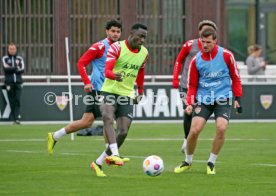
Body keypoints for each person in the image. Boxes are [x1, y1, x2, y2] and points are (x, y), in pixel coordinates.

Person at [47, 19, 123, 155]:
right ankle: (111, 154)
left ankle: (54, 136)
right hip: (98, 89)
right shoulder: (99, 46)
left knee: (87, 122)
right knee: (108, 119)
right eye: (113, 31)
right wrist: (86, 82)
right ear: (107, 31)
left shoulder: (120, 48)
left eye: (118, 31)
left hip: (110, 89)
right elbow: (81, 63)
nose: (115, 34)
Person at [174, 27, 243, 175]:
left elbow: (235, 77)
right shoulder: (196, 60)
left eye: (208, 42)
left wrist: (238, 98)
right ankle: (188, 161)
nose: (205, 45)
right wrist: (189, 103)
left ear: (215, 41)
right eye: (203, 42)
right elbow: (191, 85)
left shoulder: (226, 55)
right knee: (194, 130)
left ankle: (211, 162)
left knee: (221, 128)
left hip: (223, 97)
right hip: (203, 98)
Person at [90, 23, 149, 177]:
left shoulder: (144, 53)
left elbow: (141, 71)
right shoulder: (116, 47)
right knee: (107, 118)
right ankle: (115, 155)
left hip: (127, 94)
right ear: (131, 33)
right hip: (109, 90)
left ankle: (98, 162)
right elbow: (107, 70)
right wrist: (112, 75)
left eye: (144, 38)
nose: (142, 40)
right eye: (140, 36)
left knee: (122, 131)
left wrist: (140, 91)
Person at [172, 20, 217, 154]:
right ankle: (186, 140)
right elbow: (179, 60)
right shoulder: (190, 45)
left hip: (203, 87)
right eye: (204, 30)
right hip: (186, 84)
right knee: (188, 110)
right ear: (199, 32)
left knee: (197, 114)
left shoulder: (214, 48)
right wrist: (175, 78)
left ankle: (190, 139)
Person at [2, 43, 25, 124]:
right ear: (8, 50)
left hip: (18, 82)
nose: (12, 50)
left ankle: (17, 118)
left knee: (17, 100)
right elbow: (6, 69)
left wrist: (12, 68)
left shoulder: (20, 58)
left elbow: (22, 69)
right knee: (11, 100)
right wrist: (15, 67)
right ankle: (14, 118)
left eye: (13, 49)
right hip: (9, 83)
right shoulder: (5, 58)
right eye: (10, 49)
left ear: (16, 49)